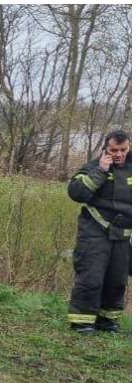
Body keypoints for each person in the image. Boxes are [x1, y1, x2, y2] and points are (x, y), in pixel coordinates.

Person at [66, 130, 131, 333]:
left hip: (123, 235)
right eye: (114, 150)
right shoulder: (94, 166)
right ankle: (82, 322)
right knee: (91, 277)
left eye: (123, 150)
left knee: (117, 280)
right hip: (95, 231)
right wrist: (101, 171)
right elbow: (76, 193)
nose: (119, 154)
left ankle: (107, 321)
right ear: (106, 149)